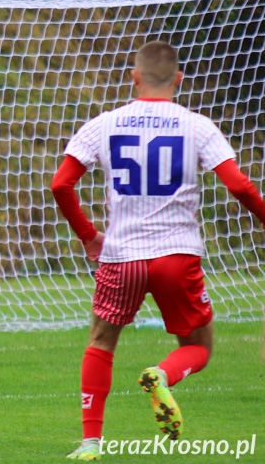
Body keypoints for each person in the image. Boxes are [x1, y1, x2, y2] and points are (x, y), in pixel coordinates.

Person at [51, 41, 265, 460]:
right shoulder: (197, 126)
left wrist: (88, 235)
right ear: (178, 80)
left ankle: (91, 444)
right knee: (199, 345)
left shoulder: (105, 124)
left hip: (121, 255)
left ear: (134, 77)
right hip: (176, 255)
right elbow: (239, 184)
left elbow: (61, 184)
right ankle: (162, 374)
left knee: (100, 340)